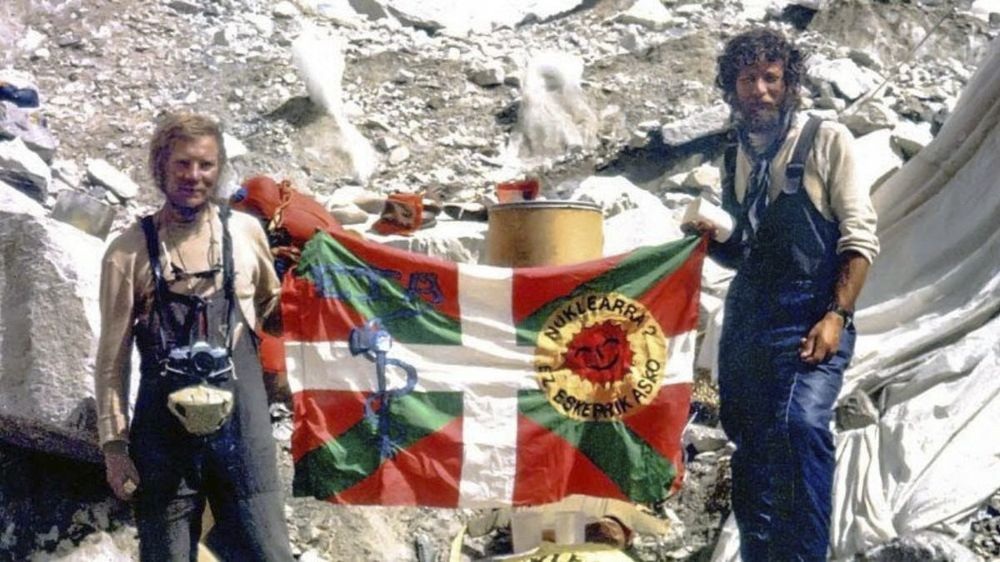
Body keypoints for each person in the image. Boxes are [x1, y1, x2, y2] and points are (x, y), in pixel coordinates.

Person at [686, 29, 879, 560]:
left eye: (772, 77)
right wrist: (710, 239)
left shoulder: (826, 139)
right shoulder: (734, 153)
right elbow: (746, 252)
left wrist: (837, 314)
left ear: (790, 83)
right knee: (750, 443)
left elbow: (859, 236)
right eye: (748, 79)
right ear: (732, 87)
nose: (761, 90)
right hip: (750, 321)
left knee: (800, 427)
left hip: (811, 314)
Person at [94, 112, 294, 561]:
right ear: (161, 166)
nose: (194, 176)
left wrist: (324, 294)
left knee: (268, 552)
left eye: (206, 165)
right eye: (183, 164)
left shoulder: (244, 234)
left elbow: (273, 313)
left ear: (220, 168)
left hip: (243, 436)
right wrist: (114, 447)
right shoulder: (127, 253)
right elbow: (112, 361)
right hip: (163, 443)